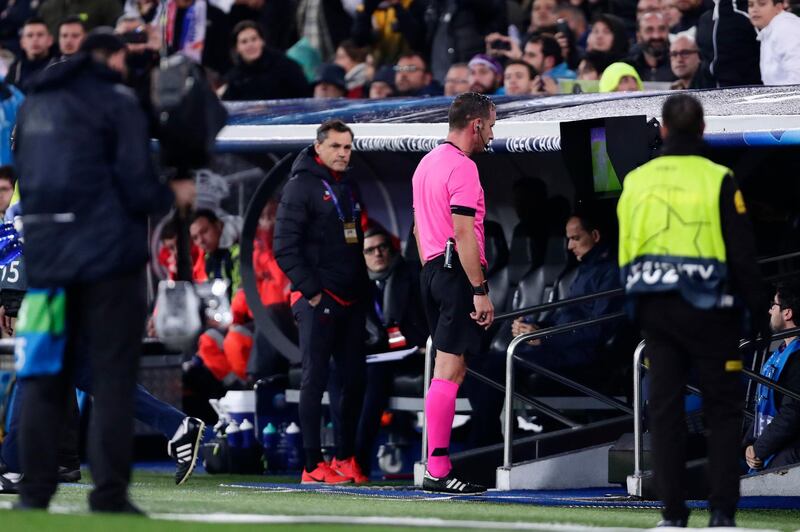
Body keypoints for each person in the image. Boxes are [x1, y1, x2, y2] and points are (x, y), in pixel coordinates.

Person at [14, 29, 195, 512]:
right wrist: (172, 194)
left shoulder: (32, 106)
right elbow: (139, 188)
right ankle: (109, 494)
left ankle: (33, 494)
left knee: (40, 375)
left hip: (46, 270)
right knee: (112, 377)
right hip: (108, 269)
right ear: (113, 58)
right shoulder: (116, 102)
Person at [617, 94, 767, 527]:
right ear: (701, 129)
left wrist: (635, 305)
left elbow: (627, 247)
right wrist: (756, 311)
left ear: (662, 129)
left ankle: (672, 515)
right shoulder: (719, 178)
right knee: (721, 413)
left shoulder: (637, 180)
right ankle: (721, 514)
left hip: (656, 311)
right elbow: (742, 252)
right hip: (711, 311)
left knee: (664, 413)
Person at [468, 210, 622, 444]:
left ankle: (484, 442)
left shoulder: (612, 273)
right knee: (476, 363)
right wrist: (535, 326)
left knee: (491, 365)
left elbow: (597, 330)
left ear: (596, 235)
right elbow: (566, 317)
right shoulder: (586, 269)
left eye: (575, 238)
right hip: (560, 347)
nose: (569, 246)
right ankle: (484, 434)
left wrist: (545, 337)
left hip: (581, 356)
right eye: (568, 239)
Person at [273, 119, 369, 485]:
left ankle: (345, 458)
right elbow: (283, 246)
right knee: (315, 378)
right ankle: (312, 464)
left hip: (351, 297)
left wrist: (363, 291)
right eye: (336, 147)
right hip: (318, 298)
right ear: (318, 148)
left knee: (354, 380)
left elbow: (354, 243)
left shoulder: (349, 185)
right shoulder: (300, 187)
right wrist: (313, 291)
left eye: (348, 147)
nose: (344, 153)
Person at [412, 92, 495, 494]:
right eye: (491, 125)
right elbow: (464, 233)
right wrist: (478, 289)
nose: (492, 135)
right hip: (454, 272)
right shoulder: (463, 168)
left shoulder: (425, 163)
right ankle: (438, 469)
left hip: (430, 268)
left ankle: (437, 466)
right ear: (475, 124)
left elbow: (415, 229)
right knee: (449, 370)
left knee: (451, 368)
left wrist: (431, 273)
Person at [743, 282, 800, 472]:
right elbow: (762, 405)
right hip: (771, 444)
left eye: (773, 305)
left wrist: (759, 449)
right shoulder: (779, 352)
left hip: (789, 447)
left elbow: (792, 414)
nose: (770, 311)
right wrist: (749, 445)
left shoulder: (798, 356)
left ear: (787, 313)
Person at [219, 20, 310, 101]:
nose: (250, 45)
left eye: (254, 39)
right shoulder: (234, 77)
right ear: (237, 48)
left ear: (262, 41)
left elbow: (304, 96)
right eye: (244, 41)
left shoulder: (285, 66)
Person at [749, 0, 800, 85]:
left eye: (762, 4)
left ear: (778, 7)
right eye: (750, 5)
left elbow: (797, 79)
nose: (755, 9)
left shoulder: (786, 28)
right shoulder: (771, 30)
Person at [6, 17, 53, 91]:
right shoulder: (16, 69)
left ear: (50, 40)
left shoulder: (60, 66)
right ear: (22, 43)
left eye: (40, 35)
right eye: (30, 35)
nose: (35, 39)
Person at [628, 11, 676, 82]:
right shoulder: (629, 67)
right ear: (638, 36)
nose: (656, 36)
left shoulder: (680, 65)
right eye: (649, 30)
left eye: (662, 29)